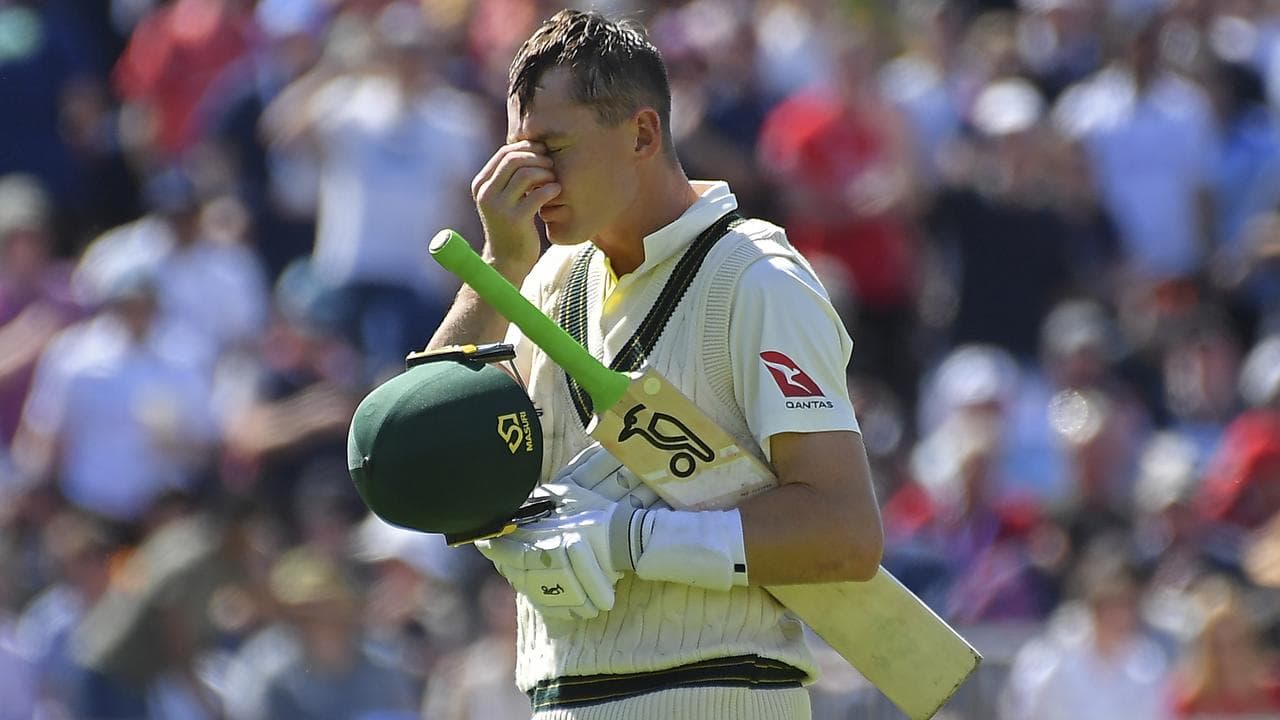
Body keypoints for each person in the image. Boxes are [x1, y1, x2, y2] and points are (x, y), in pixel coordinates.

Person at [425, 9, 883, 719]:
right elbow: (424, 456)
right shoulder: (540, 280)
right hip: (558, 698)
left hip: (719, 695)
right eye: (519, 153)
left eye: (553, 148)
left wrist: (630, 540)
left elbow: (844, 532)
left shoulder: (759, 278)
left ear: (642, 134)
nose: (532, 180)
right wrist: (498, 267)